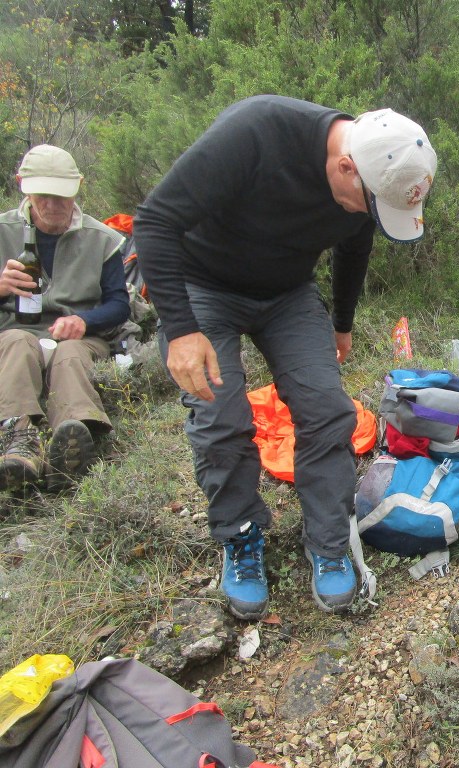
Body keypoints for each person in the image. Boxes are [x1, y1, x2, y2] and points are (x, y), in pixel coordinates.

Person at [133, 96, 437, 619]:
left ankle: (326, 540)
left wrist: (341, 323)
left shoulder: (372, 177)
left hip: (287, 295)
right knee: (220, 416)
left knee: (327, 410)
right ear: (345, 167)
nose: (368, 215)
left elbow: (353, 249)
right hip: (204, 284)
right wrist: (181, 332)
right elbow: (155, 220)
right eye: (368, 203)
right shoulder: (258, 131)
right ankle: (241, 537)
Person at [0, 145, 129, 492]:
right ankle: (19, 440)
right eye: (44, 196)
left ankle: (72, 439)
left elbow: (119, 304)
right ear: (22, 186)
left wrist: (85, 321)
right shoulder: (2, 231)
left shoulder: (103, 240)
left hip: (81, 336)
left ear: (79, 187)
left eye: (63, 196)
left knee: (71, 354)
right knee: (16, 342)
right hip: (14, 331)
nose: (53, 206)